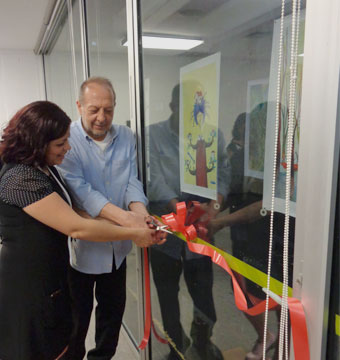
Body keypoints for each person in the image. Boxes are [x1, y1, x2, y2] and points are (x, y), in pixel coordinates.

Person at [0, 101, 160, 360]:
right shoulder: (21, 177)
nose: (68, 148)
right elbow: (78, 227)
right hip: (28, 286)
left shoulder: (44, 167)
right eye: (60, 144)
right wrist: (132, 233)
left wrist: (133, 222)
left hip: (51, 278)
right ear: (36, 142)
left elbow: (76, 214)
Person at [57, 77, 165, 360]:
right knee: (76, 323)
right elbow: (82, 191)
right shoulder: (67, 140)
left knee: (111, 319)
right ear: (79, 106)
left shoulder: (127, 137)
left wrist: (140, 214)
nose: (101, 118)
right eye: (94, 110)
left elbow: (131, 181)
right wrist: (129, 223)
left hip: (117, 251)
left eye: (108, 110)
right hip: (81, 250)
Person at [147, 84, 230, 360]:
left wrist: (212, 210)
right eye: (187, 108)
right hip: (165, 233)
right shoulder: (153, 135)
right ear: (172, 106)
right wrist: (179, 209)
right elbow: (154, 179)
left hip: (200, 231)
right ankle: (175, 347)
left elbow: (223, 174)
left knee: (203, 290)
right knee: (168, 294)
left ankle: (203, 342)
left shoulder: (211, 135)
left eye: (198, 109)